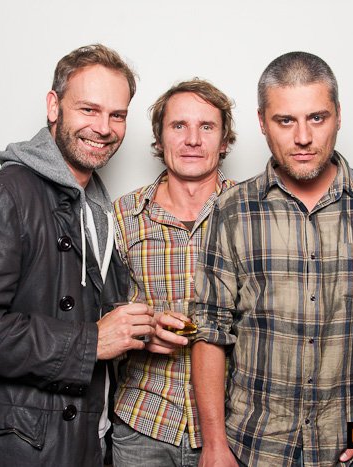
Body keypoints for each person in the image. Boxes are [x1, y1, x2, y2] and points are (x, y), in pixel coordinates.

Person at [191, 51, 353, 467]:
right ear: (262, 122)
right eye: (285, 120)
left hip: (349, 451)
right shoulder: (231, 209)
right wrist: (215, 444)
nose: (303, 137)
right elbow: (210, 330)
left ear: (338, 115)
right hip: (253, 449)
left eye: (317, 118)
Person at [0, 44, 155, 467]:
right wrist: (92, 341)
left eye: (117, 115)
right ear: (54, 107)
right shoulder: (4, 196)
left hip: (85, 440)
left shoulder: (96, 205)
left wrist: (137, 331)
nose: (103, 128)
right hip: (16, 450)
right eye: (89, 110)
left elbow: (85, 314)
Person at [111, 79, 237, 467]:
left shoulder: (252, 212)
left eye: (206, 127)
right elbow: (97, 314)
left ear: (224, 141)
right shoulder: (122, 215)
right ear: (159, 137)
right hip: (143, 422)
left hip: (232, 426)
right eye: (179, 125)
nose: (192, 140)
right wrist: (142, 331)